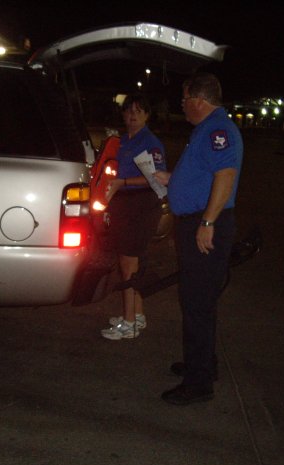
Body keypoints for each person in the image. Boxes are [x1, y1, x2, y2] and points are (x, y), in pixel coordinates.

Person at [153, 72, 243, 405]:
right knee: (200, 302)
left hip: (204, 225)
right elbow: (205, 173)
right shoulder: (206, 129)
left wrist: (207, 221)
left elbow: (225, 176)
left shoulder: (218, 130)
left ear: (199, 101)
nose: (182, 105)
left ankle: (198, 383)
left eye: (184, 99)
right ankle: (202, 364)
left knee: (196, 304)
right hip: (197, 222)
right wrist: (174, 178)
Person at [100, 94, 167, 340]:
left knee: (129, 264)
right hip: (124, 204)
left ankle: (129, 324)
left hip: (141, 204)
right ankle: (137, 316)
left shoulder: (150, 142)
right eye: (129, 111)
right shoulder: (123, 140)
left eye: (139, 111)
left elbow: (158, 177)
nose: (132, 115)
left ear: (147, 115)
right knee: (129, 262)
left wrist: (124, 182)